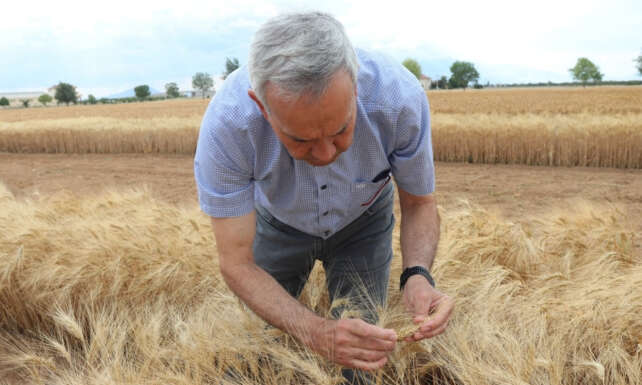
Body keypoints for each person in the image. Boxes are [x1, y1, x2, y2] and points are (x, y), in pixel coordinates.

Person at [194, 11, 454, 384]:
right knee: (253, 347)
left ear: (356, 86)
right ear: (261, 105)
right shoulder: (228, 126)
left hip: (364, 221)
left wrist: (417, 275)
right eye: (300, 139)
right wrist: (315, 331)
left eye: (341, 129)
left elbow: (419, 203)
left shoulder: (398, 98)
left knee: (365, 357)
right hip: (278, 222)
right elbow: (237, 263)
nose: (325, 154)